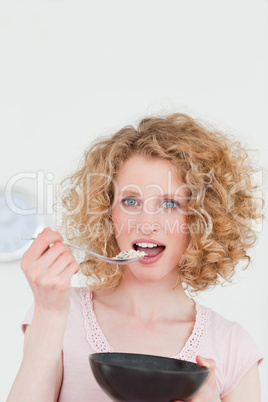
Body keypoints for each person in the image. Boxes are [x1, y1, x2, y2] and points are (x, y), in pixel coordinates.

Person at [7, 113, 263, 402]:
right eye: (130, 201)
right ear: (107, 212)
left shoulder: (231, 345)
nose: (145, 222)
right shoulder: (61, 312)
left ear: (204, 219)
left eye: (170, 203)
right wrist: (49, 313)